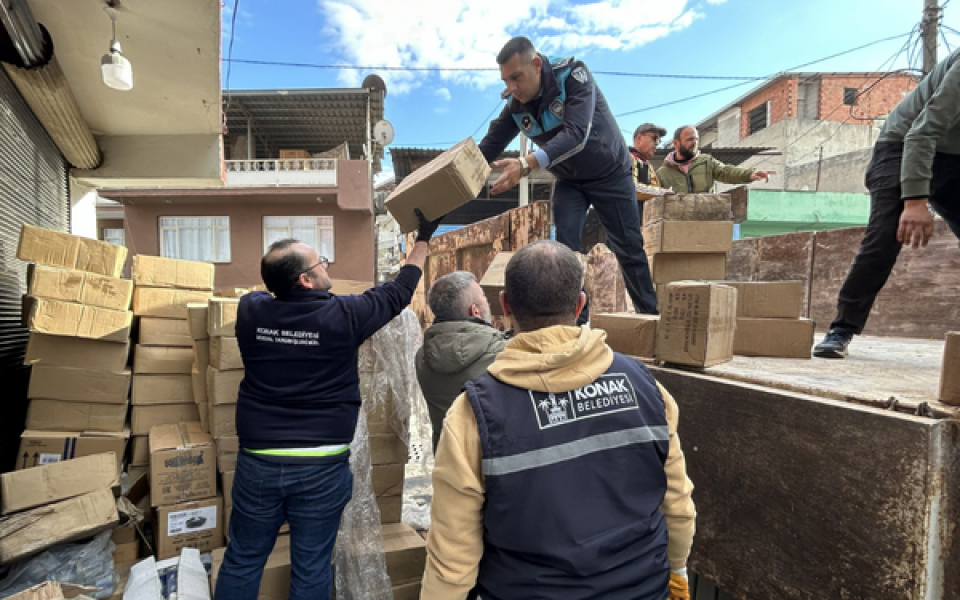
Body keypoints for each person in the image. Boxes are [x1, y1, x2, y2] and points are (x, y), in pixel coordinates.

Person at [421, 240, 696, 600]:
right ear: (581, 304)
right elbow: (677, 504)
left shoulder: (473, 413)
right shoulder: (647, 387)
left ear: (505, 305)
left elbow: (452, 555)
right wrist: (677, 570)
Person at [214, 210, 441, 600]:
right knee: (312, 565)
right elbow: (400, 290)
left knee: (244, 558)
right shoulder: (344, 316)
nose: (326, 266)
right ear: (306, 279)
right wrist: (423, 238)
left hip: (259, 465)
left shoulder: (251, 312)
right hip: (321, 467)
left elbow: (258, 293)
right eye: (321, 262)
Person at [477, 36, 658, 316]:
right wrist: (456, 176)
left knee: (629, 248)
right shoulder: (516, 105)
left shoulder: (574, 77)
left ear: (537, 64)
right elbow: (487, 147)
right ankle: (575, 324)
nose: (511, 88)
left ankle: (651, 319)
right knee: (565, 253)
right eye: (505, 81)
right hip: (570, 180)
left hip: (610, 172)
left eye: (516, 77)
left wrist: (526, 165)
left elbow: (576, 134)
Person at [814, 49, 960, 358]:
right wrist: (916, 200)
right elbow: (923, 131)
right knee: (885, 235)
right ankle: (842, 329)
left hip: (954, 156)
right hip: (903, 143)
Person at [416, 271, 509, 452]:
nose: (488, 302)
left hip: (449, 462)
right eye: (483, 296)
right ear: (475, 311)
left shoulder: (422, 357)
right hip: (494, 461)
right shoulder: (503, 353)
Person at [656, 125, 773, 194]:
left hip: (707, 222)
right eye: (690, 139)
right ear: (676, 144)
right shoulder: (663, 174)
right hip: (676, 227)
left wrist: (750, 174)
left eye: (696, 139)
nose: (694, 143)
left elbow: (727, 172)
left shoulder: (706, 162)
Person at [631, 122, 667, 187]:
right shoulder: (626, 160)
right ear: (639, 138)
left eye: (659, 140)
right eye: (654, 138)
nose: (657, 143)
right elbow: (631, 188)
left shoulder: (648, 165)